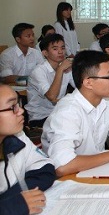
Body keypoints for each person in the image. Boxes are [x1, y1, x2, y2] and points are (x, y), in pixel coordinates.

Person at [41, 51, 109, 177]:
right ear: (88, 83)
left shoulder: (105, 101)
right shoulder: (67, 112)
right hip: (69, 177)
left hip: (96, 168)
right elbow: (62, 166)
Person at [0, 84, 56, 215]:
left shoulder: (16, 137)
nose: (21, 111)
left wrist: (17, 197)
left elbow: (45, 169)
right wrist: (13, 205)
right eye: (13, 107)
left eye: (18, 104)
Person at [25, 34, 74, 128]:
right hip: (40, 117)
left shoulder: (67, 68)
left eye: (63, 48)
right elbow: (51, 96)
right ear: (45, 53)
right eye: (55, 49)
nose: (60, 52)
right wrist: (60, 70)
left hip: (59, 112)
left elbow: (80, 87)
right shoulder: (38, 72)